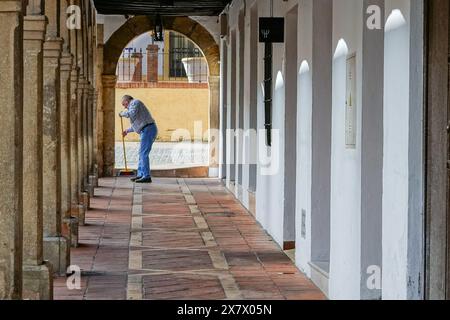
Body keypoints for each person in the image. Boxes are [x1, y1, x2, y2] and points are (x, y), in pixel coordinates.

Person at [119, 95, 158, 183]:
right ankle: (141, 174)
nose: (124, 107)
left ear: (127, 100)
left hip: (148, 129)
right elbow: (138, 124)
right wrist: (127, 131)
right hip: (146, 129)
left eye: (124, 104)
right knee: (141, 153)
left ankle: (146, 176)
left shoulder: (135, 102)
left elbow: (130, 114)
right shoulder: (134, 106)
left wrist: (122, 113)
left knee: (143, 153)